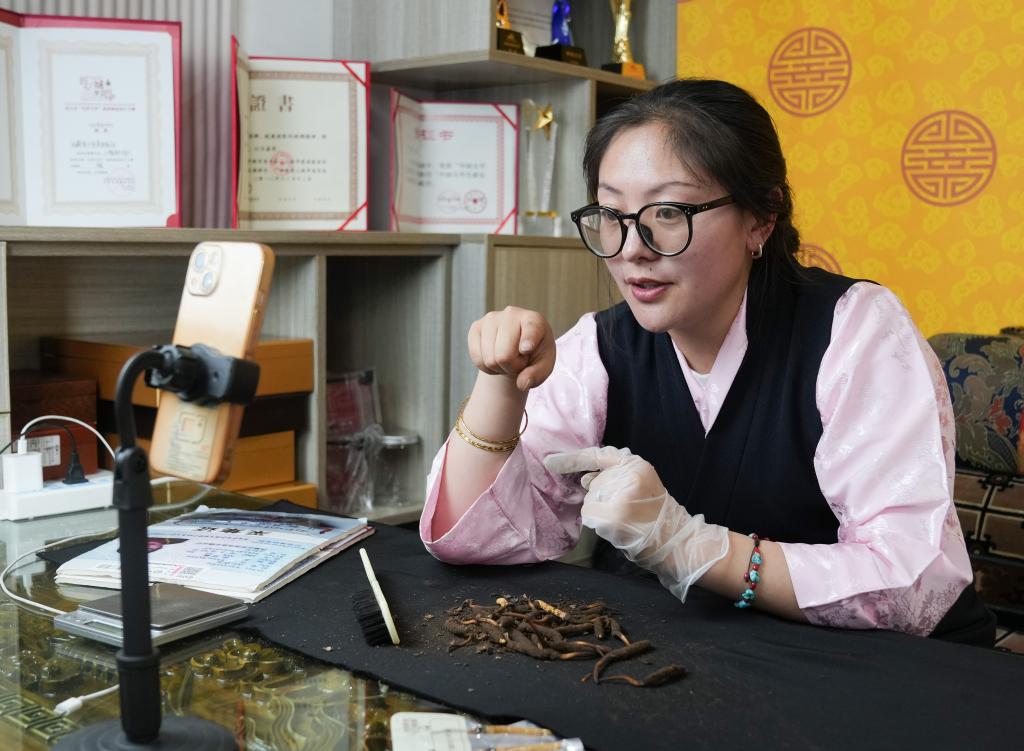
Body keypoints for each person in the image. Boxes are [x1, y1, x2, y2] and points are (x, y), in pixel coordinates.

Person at [418, 78, 994, 647]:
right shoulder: (601, 344)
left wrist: (693, 547)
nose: (631, 248)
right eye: (611, 213)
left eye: (668, 212)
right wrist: (501, 386)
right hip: (687, 658)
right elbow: (470, 540)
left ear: (761, 217)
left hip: (869, 667)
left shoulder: (856, 330)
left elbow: (913, 584)